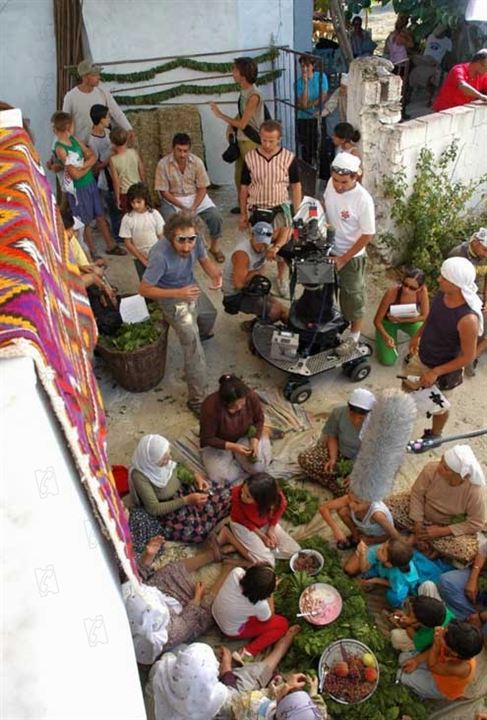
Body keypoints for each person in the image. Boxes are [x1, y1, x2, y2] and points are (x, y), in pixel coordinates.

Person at [139, 212, 221, 414]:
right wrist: (178, 293)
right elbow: (144, 289)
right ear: (170, 237)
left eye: (191, 240)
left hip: (189, 287)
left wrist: (214, 275)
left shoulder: (196, 239)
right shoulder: (159, 255)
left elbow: (203, 258)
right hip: (171, 296)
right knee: (194, 350)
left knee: (210, 314)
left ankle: (200, 333)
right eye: (181, 241)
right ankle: (197, 400)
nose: (187, 247)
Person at [145, 627, 302, 720]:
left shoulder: (160, 671)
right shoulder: (219, 704)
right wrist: (226, 668)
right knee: (251, 676)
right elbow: (237, 701)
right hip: (230, 710)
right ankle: (279, 651)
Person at [123, 535, 234, 663]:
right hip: (181, 614)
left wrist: (148, 555)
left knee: (170, 570)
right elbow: (187, 622)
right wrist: (197, 597)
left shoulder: (128, 596)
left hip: (161, 591)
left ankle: (211, 555)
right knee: (205, 614)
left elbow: (138, 576)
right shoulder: (169, 634)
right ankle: (228, 569)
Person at [403, 256, 482, 438]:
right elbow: (431, 318)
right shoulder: (442, 294)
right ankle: (403, 414)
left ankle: (435, 434)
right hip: (423, 355)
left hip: (446, 371)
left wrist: (436, 372)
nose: (439, 279)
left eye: (444, 278)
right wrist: (417, 336)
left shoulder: (467, 319)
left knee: (439, 406)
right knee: (407, 387)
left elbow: (468, 357)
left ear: (456, 284)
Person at [127, 434, 231, 553]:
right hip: (170, 507)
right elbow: (154, 508)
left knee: (224, 494)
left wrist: (196, 478)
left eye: (168, 454)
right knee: (198, 531)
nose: (169, 459)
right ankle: (208, 519)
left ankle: (208, 517)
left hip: (185, 489)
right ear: (151, 461)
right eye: (164, 459)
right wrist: (186, 500)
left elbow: (181, 465)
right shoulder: (140, 476)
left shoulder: (165, 452)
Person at [386, 445, 486, 564]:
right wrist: (418, 523)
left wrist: (441, 531)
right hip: (422, 511)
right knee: (389, 505)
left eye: (445, 468)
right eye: (441, 462)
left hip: (446, 525)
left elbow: (476, 523)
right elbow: (417, 494)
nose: (439, 468)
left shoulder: (473, 491)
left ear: (458, 475)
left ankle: (420, 540)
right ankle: (421, 539)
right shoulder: (431, 469)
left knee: (467, 551)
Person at [239, 120, 302, 299]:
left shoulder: (288, 157)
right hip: (257, 208)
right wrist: (243, 214)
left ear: (279, 139)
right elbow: (243, 187)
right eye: (264, 140)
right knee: (259, 247)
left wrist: (296, 213)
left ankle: (281, 279)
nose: (267, 144)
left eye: (271, 141)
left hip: (279, 208)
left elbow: (296, 185)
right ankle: (260, 281)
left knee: (280, 248)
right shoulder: (250, 157)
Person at [323, 152, 375, 355]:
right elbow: (327, 202)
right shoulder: (331, 183)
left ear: (356, 177)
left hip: (351, 257)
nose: (338, 185)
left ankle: (354, 337)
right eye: (335, 180)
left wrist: (344, 259)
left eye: (344, 182)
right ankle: (331, 323)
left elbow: (368, 234)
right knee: (325, 291)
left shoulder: (363, 200)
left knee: (353, 297)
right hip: (329, 249)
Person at [52, 111, 124, 257]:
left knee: (100, 215)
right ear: (68, 127)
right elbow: (74, 174)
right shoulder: (60, 148)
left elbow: (91, 155)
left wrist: (84, 166)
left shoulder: (73, 140)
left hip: (89, 183)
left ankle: (110, 245)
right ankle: (91, 252)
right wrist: (88, 165)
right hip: (78, 189)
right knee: (84, 222)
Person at [154, 132, 225, 262]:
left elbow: (202, 187)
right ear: (172, 148)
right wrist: (182, 206)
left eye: (185, 151)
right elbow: (164, 192)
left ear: (189, 150)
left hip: (195, 197)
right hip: (173, 199)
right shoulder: (163, 164)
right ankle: (177, 250)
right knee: (170, 221)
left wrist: (193, 207)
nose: (182, 154)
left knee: (216, 217)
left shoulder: (197, 162)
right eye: (179, 150)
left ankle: (215, 247)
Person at [210, 56, 265, 212]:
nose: (232, 73)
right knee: (239, 175)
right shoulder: (245, 92)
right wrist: (230, 126)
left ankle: (255, 205)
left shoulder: (254, 95)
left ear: (243, 73)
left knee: (252, 176)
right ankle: (243, 205)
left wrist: (220, 115)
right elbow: (241, 116)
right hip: (242, 139)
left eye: (235, 70)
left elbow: (243, 123)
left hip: (251, 140)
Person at [298, 387, 376, 494]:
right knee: (305, 458)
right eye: (352, 415)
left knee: (360, 491)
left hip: (362, 461)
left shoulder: (376, 424)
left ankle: (337, 484)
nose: (356, 420)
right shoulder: (339, 413)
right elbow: (332, 436)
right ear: (348, 408)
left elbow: (374, 454)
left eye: (360, 418)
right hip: (340, 453)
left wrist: (357, 472)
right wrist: (333, 459)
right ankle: (336, 484)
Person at [199, 374, 272, 485]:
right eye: (233, 407)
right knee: (220, 478)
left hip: (243, 435)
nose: (239, 408)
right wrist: (233, 447)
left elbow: (259, 419)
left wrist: (254, 441)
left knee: (258, 469)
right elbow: (207, 438)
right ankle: (236, 461)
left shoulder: (250, 396)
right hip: (219, 443)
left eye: (242, 404)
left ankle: (259, 442)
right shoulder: (210, 407)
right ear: (224, 403)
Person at [212, 563, 289, 663]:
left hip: (216, 610)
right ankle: (248, 652)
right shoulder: (260, 605)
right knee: (282, 624)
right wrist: (271, 594)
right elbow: (269, 617)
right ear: (265, 594)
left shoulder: (236, 572)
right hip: (230, 630)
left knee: (248, 613)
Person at [222, 221, 288, 323]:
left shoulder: (266, 245)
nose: (261, 246)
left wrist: (276, 248)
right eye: (259, 241)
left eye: (265, 242)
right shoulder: (242, 254)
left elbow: (286, 229)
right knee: (275, 311)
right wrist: (257, 272)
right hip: (235, 295)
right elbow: (238, 284)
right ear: (252, 235)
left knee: (284, 310)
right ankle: (253, 326)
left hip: (253, 285)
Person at [397, 621, 482, 700]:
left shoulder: (460, 668)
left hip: (439, 684)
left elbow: (432, 667)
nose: (440, 632)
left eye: (443, 634)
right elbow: (434, 653)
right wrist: (416, 660)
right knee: (403, 658)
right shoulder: (450, 638)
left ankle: (422, 694)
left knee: (401, 675)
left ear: (453, 653)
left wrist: (436, 644)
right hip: (437, 665)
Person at [229, 473, 301, 566]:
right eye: (243, 490)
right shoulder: (236, 494)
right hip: (242, 525)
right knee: (269, 563)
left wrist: (271, 530)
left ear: (261, 500)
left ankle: (244, 547)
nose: (242, 496)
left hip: (262, 523)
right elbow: (242, 520)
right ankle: (232, 539)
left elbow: (281, 507)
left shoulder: (274, 497)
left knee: (294, 551)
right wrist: (263, 537)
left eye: (247, 496)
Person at [62, 59, 134, 145]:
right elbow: (65, 124)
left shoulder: (103, 92)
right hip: (83, 146)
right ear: (85, 77)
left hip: (104, 143)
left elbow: (116, 112)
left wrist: (128, 128)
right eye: (95, 75)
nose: (98, 77)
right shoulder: (70, 97)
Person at [449, 227, 487, 374]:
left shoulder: (484, 255)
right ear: (476, 243)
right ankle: (465, 357)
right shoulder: (458, 254)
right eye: (485, 250)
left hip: (479, 296)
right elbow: (452, 285)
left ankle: (469, 358)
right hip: (463, 296)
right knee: (474, 323)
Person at [374, 268, 429, 366]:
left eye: (412, 288)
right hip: (388, 322)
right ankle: (381, 337)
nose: (406, 290)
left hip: (408, 320)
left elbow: (425, 316)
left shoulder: (422, 292)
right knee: (388, 361)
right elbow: (377, 321)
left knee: (425, 334)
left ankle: (412, 354)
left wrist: (403, 320)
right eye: (405, 284)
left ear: (420, 288)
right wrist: (386, 336)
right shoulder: (392, 292)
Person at [438, 537, 487, 649]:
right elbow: (483, 551)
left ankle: (469, 624)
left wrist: (481, 617)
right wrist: (472, 579)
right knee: (447, 582)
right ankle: (469, 623)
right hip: (483, 579)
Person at [346, 539, 419, 608]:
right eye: (383, 544)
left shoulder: (398, 575)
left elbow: (392, 584)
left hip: (402, 582)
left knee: (394, 597)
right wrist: (362, 554)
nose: (379, 548)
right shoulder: (382, 550)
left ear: (389, 564)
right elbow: (364, 569)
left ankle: (399, 604)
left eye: (383, 551)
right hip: (385, 569)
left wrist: (376, 580)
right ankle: (379, 576)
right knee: (367, 574)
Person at [319, 490, 399, 550]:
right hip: (366, 530)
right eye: (350, 499)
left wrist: (371, 540)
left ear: (369, 502)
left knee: (351, 569)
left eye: (357, 502)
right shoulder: (353, 498)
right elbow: (323, 508)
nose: (351, 504)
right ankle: (356, 536)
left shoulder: (377, 515)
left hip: (379, 537)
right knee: (342, 511)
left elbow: (393, 536)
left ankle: (364, 540)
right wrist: (336, 530)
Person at [87, 103, 121, 241]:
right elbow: (96, 164)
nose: (109, 119)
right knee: (109, 205)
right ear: (101, 119)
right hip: (103, 177)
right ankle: (114, 234)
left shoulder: (107, 133)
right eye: (107, 117)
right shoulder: (92, 140)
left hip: (112, 171)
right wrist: (110, 156)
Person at [119, 182, 165, 279]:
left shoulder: (154, 214)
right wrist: (142, 259)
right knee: (145, 282)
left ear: (145, 199)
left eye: (139, 202)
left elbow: (162, 236)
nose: (136, 205)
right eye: (133, 202)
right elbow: (128, 243)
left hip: (157, 255)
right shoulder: (127, 219)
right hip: (138, 257)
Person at [388, 593, 455, 653]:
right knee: (427, 585)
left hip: (427, 643)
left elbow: (414, 637)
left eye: (412, 614)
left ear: (422, 624)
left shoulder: (430, 635)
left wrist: (406, 625)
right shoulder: (441, 610)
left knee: (395, 636)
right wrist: (408, 617)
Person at [295, 54, 328, 165]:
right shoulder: (298, 83)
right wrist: (305, 84)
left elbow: (323, 96)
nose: (304, 69)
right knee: (306, 148)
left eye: (307, 66)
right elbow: (303, 105)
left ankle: (322, 175)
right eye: (302, 66)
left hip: (317, 115)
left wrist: (310, 104)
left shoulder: (321, 77)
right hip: (303, 119)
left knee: (320, 146)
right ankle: (308, 172)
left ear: (313, 66)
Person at [408, 26, 453, 99]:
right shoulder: (431, 37)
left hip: (434, 61)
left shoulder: (447, 41)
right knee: (415, 58)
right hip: (425, 58)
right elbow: (426, 49)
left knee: (422, 60)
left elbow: (448, 56)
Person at [109, 128, 145, 214]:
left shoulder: (113, 160)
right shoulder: (133, 152)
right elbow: (141, 170)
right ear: (126, 141)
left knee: (129, 217)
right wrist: (143, 185)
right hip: (138, 189)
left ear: (112, 143)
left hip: (125, 193)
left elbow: (116, 181)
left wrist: (117, 199)